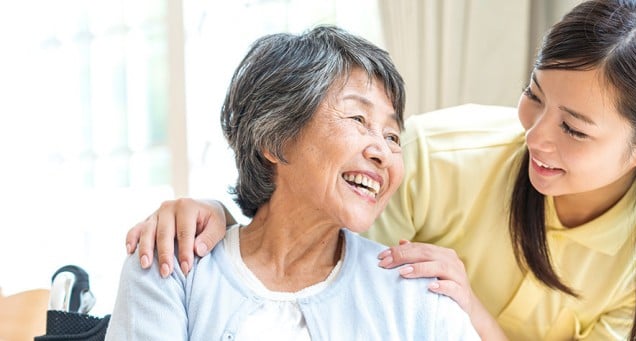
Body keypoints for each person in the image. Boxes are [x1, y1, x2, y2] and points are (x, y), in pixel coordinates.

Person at [126, 0, 636, 339]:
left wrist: (470, 310)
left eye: (575, 128)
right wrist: (218, 212)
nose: (534, 135)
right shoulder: (439, 156)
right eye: (534, 96)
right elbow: (309, 235)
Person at [106, 27, 479, 340]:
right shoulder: (170, 262)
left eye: (393, 136)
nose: (383, 151)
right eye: (358, 118)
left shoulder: (417, 295)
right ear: (276, 139)